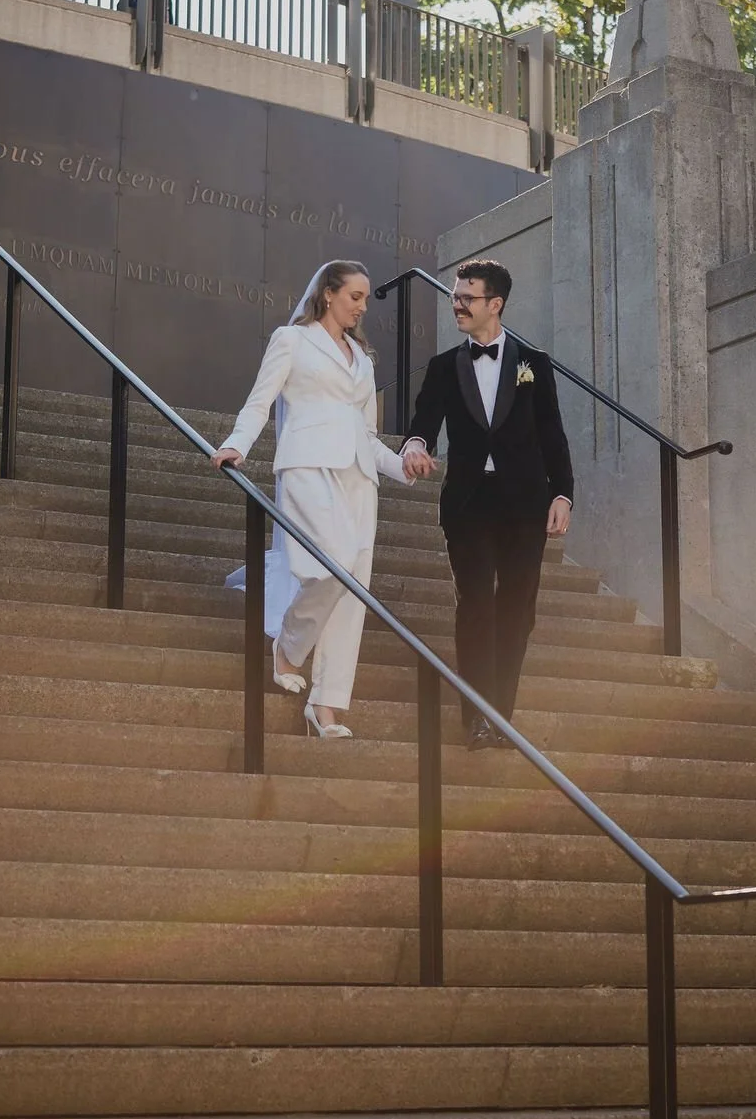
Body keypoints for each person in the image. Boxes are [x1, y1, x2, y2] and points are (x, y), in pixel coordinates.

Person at [212, 261, 411, 740]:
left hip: (359, 479)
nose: (362, 307)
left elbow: (367, 433)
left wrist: (402, 466)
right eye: (355, 297)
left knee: (353, 592)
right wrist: (238, 443)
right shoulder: (292, 340)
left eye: (365, 298)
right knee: (331, 566)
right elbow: (261, 400)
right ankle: (290, 644)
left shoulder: (362, 361)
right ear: (328, 294)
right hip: (306, 468)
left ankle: (326, 707)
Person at [401, 258, 573, 750]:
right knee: (476, 604)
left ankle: (503, 718)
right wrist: (414, 444)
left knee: (517, 610)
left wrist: (563, 492)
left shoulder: (533, 364)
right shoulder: (442, 366)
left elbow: (552, 433)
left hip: (525, 504)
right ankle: (475, 717)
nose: (457, 304)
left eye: (467, 297)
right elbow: (423, 423)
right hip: (469, 505)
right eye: (455, 295)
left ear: (494, 304)